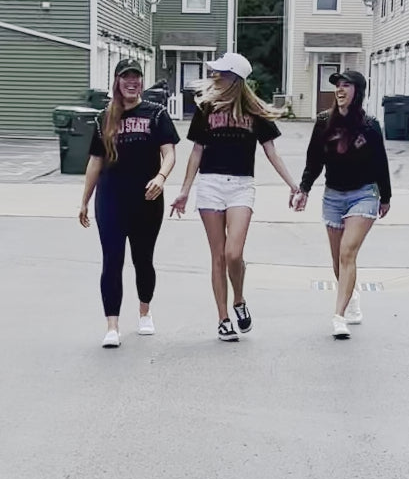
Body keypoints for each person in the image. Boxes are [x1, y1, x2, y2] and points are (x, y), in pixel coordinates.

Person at [170, 52, 298, 342]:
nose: (215, 76)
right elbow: (196, 152)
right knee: (217, 256)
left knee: (233, 254)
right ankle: (223, 318)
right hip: (210, 185)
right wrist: (184, 191)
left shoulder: (253, 112)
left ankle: (238, 300)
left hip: (241, 185)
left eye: (221, 73)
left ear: (235, 79)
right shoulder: (206, 108)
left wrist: (293, 185)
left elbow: (271, 152)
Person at [79, 58, 180, 348]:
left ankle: (144, 311)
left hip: (147, 198)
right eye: (126, 77)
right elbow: (95, 162)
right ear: (117, 82)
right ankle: (112, 325)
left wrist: (161, 177)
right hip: (111, 198)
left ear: (141, 82)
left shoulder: (156, 113)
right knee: (112, 260)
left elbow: (169, 153)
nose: (131, 82)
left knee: (142, 259)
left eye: (136, 77)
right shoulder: (104, 118)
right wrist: (84, 200)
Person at [293, 69, 391, 340]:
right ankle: (352, 296)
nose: (340, 89)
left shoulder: (370, 126)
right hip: (333, 196)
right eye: (338, 85)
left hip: (364, 194)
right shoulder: (324, 122)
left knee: (348, 253)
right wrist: (304, 189)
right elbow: (314, 160)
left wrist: (386, 197)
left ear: (357, 91)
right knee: (339, 261)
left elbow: (380, 163)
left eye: (346, 85)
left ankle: (338, 316)